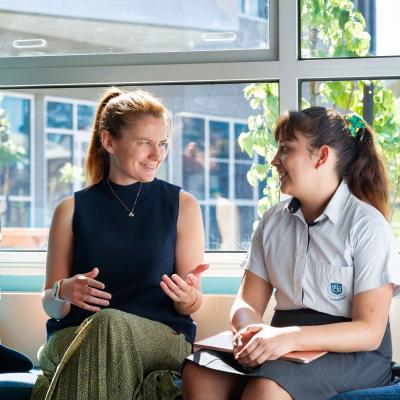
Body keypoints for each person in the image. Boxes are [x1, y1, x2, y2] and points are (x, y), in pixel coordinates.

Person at [182, 107, 400, 400]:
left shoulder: (367, 226)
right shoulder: (273, 221)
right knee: (199, 372)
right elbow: (247, 301)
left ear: (321, 156)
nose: (274, 161)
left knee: (266, 389)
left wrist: (289, 338)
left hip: (354, 353)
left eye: (285, 149)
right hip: (282, 344)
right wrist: (250, 331)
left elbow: (369, 332)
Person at [31, 88, 206, 400]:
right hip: (75, 335)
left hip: (159, 337)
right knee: (105, 329)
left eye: (162, 143)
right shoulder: (70, 210)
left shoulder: (183, 205)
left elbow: (191, 304)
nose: (157, 154)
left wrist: (188, 296)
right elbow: (51, 306)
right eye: (145, 143)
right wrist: (63, 291)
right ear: (109, 142)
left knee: (110, 325)